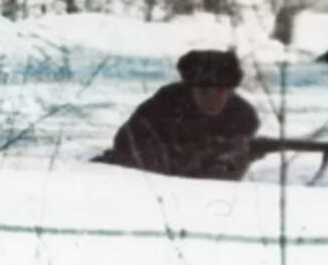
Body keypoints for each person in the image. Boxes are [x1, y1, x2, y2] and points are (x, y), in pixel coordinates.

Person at [99, 49, 262, 181]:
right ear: (190, 89)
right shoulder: (164, 106)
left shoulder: (242, 116)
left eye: (221, 90)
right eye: (204, 91)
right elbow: (129, 144)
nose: (213, 98)